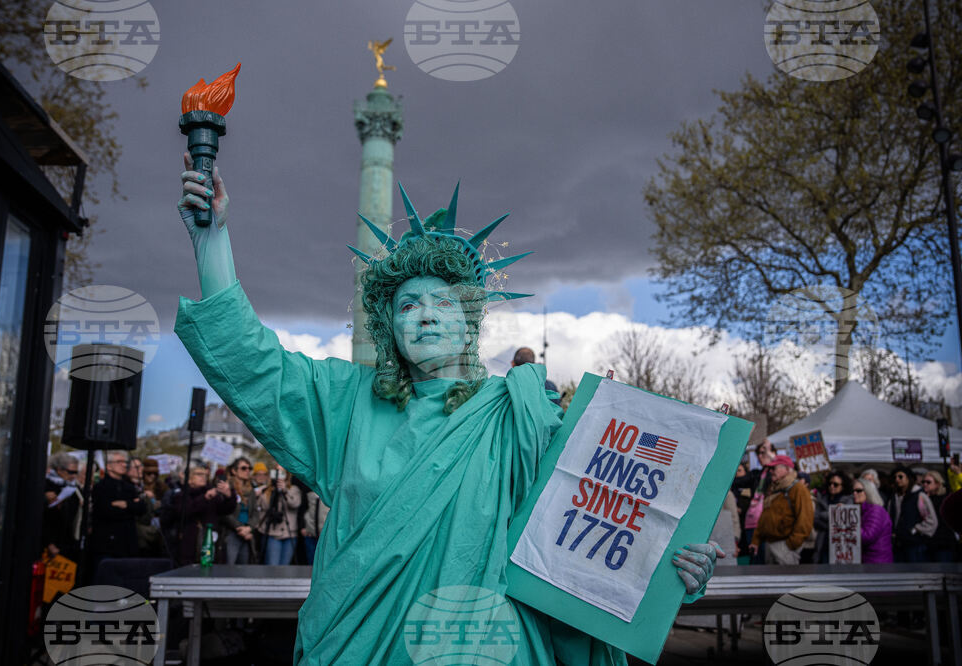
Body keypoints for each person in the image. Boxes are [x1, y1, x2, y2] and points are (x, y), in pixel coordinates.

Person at [173, 158, 724, 664]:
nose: (426, 316)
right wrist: (212, 241)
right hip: (362, 645)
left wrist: (674, 564)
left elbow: (598, 521)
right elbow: (252, 361)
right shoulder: (344, 403)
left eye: (444, 303)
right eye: (408, 304)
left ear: (470, 323)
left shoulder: (524, 414)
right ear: (390, 326)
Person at [89, 451, 146, 580]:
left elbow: (142, 508)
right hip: (107, 544)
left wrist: (126, 504)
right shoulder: (101, 487)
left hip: (128, 543)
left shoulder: (130, 487)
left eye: (125, 462)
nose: (123, 465)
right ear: (108, 466)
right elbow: (105, 510)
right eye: (119, 462)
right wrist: (131, 506)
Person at [166, 464, 237, 564]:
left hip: (211, 542)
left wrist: (229, 496)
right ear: (189, 478)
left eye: (205, 474)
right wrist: (205, 498)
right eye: (199, 474)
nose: (203, 477)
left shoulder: (212, 493)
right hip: (190, 545)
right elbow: (185, 511)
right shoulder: (181, 495)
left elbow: (226, 510)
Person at [749, 455, 813, 565]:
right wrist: (755, 540)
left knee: (787, 580)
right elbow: (765, 517)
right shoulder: (773, 488)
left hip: (784, 546)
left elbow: (805, 521)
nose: (771, 471)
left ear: (787, 469)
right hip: (770, 544)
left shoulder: (798, 489)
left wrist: (790, 544)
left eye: (774, 468)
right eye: (770, 469)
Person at [734, 439, 776, 564]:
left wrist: (771, 454)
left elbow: (785, 468)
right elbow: (736, 482)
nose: (760, 456)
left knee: (764, 560)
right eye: (758, 453)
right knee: (754, 558)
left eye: (764, 453)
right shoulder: (756, 474)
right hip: (751, 522)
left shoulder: (775, 474)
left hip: (765, 523)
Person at [886, 465, 937, 563]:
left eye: (900, 476)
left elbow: (932, 520)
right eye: (895, 477)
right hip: (898, 544)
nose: (897, 479)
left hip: (915, 545)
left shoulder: (919, 496)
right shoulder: (893, 498)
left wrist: (915, 529)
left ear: (908, 478)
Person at [257, 466, 303, 565]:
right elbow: (264, 507)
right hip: (273, 533)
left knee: (284, 567)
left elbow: (295, 504)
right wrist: (270, 490)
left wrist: (284, 490)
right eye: (277, 471)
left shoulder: (293, 489)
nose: (279, 475)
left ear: (287, 474)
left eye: (282, 472)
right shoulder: (267, 490)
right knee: (272, 566)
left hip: (290, 533)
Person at [42, 453, 83, 561]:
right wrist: (49, 542)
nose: (74, 476)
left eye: (76, 472)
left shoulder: (75, 488)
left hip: (68, 541)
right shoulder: (46, 485)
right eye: (70, 472)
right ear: (59, 470)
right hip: (48, 542)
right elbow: (44, 518)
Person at [811, 470, 854, 563]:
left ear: (843, 486)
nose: (832, 486)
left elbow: (846, 523)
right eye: (830, 483)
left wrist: (825, 515)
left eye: (835, 484)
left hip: (840, 545)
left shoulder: (848, 500)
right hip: (822, 543)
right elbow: (815, 520)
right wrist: (834, 515)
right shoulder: (823, 498)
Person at [222, 456, 259, 563]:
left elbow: (255, 513)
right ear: (234, 471)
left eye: (249, 468)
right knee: (229, 567)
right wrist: (240, 528)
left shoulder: (251, 490)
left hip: (247, 534)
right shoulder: (227, 488)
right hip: (232, 533)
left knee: (243, 569)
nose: (247, 471)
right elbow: (225, 512)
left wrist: (249, 528)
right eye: (243, 468)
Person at [853, 478, 893, 564]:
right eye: (853, 491)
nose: (854, 493)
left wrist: (850, 521)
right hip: (869, 560)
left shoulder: (876, 510)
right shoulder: (863, 510)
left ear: (868, 492)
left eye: (858, 490)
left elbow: (867, 537)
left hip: (877, 562)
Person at [921, 471, 957, 562]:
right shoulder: (923, 499)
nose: (925, 484)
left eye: (928, 482)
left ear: (938, 484)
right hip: (929, 544)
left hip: (943, 544)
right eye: (923, 482)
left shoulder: (945, 499)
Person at [302, 490, 330, 564]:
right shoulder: (309, 492)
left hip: (325, 536)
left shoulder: (330, 493)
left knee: (324, 562)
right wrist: (303, 527)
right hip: (310, 534)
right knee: (311, 563)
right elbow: (303, 509)